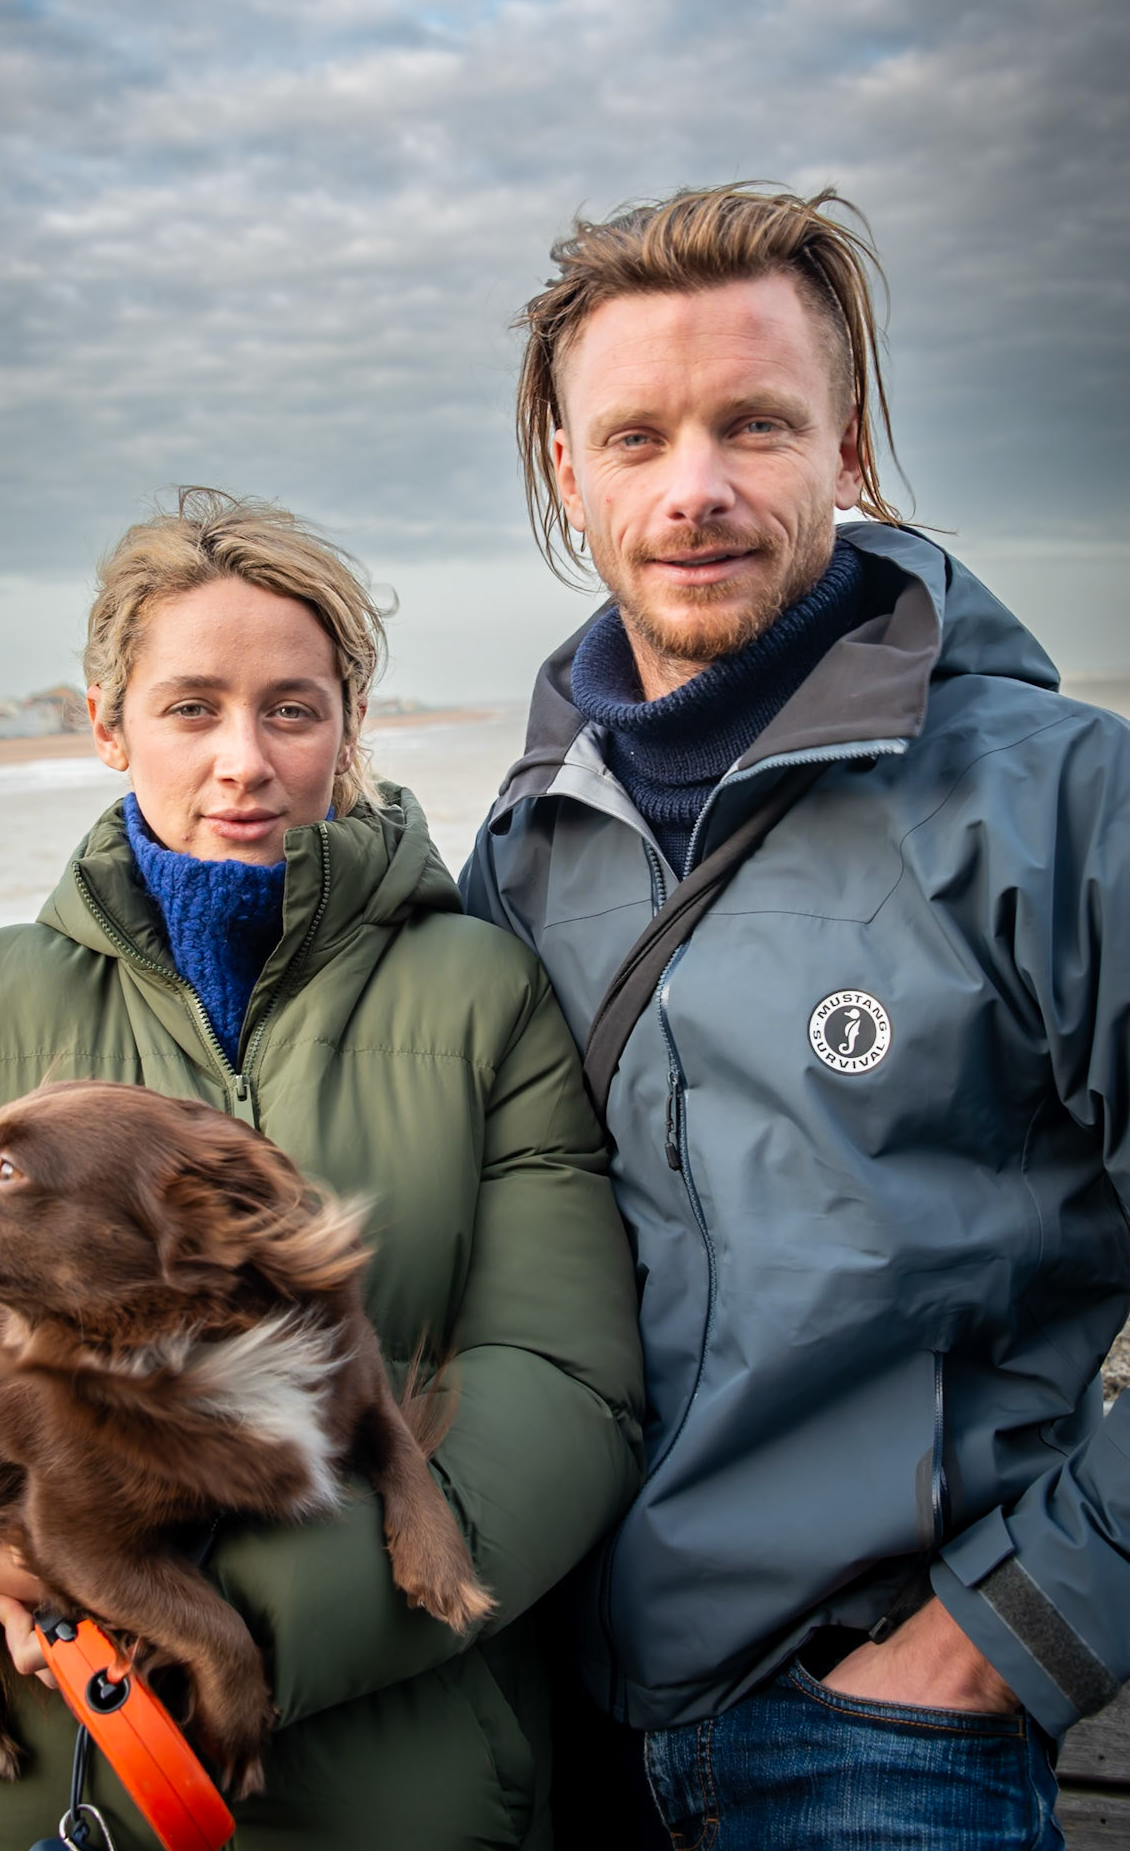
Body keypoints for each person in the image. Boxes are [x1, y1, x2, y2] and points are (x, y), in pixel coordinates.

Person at [0, 489, 643, 1851]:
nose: (245, 759)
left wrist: (246, 1643)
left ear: (347, 724)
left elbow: (567, 1380)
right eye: (190, 708)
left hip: (403, 1791)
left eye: (291, 708)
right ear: (109, 723)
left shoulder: (481, 989)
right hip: (25, 1800)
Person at [461, 182, 1130, 1849]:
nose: (692, 490)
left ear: (847, 452)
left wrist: (1006, 1637)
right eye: (633, 437)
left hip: (879, 1732)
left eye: (754, 425)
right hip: (552, 1716)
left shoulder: (1053, 800)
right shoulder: (528, 843)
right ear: (567, 472)